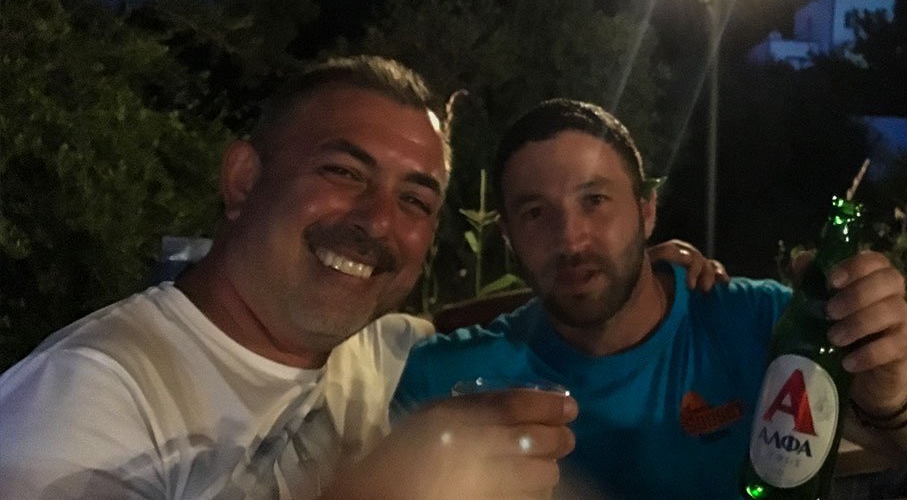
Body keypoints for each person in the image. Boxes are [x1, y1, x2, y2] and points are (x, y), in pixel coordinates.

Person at [0, 56, 582, 500]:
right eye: (344, 171)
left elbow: (448, 318)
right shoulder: (82, 404)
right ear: (244, 181)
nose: (380, 221)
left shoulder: (367, 351)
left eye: (415, 200)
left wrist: (636, 271)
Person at [392, 98, 907, 499]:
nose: (571, 238)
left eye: (596, 200)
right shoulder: (446, 378)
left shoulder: (750, 319)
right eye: (535, 213)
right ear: (507, 237)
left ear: (647, 210)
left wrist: (891, 387)